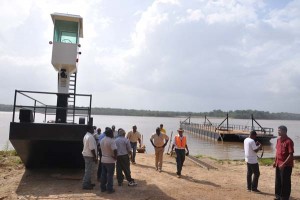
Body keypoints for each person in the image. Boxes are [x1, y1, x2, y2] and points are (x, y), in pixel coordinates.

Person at [273, 125, 294, 200]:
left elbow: (291, 155)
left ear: (285, 131)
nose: (278, 131)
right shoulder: (278, 140)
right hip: (278, 164)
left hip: (286, 165)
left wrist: (283, 164)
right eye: (278, 130)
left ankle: (284, 197)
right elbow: (277, 152)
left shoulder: (289, 141)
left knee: (285, 182)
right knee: (278, 180)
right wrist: (275, 161)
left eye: (280, 130)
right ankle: (278, 196)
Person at [100, 127, 117, 194]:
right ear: (110, 133)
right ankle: (110, 189)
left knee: (103, 174)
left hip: (103, 159)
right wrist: (115, 157)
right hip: (110, 160)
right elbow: (115, 149)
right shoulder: (111, 140)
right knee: (110, 175)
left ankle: (102, 188)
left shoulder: (102, 140)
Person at [82, 126, 98, 190]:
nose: (93, 130)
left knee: (89, 170)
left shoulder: (86, 135)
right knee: (88, 171)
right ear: (89, 129)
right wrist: (95, 157)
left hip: (87, 155)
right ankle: (85, 185)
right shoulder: (90, 137)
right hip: (89, 155)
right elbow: (92, 149)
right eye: (92, 129)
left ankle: (88, 183)